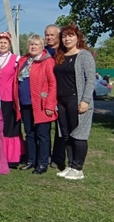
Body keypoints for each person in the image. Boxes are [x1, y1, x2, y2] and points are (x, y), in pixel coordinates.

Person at [53, 24, 95, 180]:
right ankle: (70, 165)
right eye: (64, 36)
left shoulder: (84, 55)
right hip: (61, 101)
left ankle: (78, 168)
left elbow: (90, 79)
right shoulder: (60, 55)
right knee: (66, 134)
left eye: (70, 35)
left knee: (79, 135)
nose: (67, 38)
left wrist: (86, 100)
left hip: (76, 100)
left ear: (77, 37)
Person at [13, 34, 57, 175]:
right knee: (29, 134)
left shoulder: (47, 61)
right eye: (31, 44)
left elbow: (52, 83)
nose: (33, 47)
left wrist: (50, 104)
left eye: (36, 44)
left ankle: (43, 163)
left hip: (41, 104)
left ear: (42, 46)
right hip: (25, 103)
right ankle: (31, 160)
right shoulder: (24, 60)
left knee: (42, 135)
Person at [0, 32, 22, 168]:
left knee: (9, 127)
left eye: (5, 42)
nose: (2, 45)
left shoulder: (16, 59)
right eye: (0, 42)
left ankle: (11, 157)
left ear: (9, 44)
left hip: (9, 97)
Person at [44, 24, 64, 169]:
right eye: (47, 35)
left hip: (61, 94)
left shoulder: (63, 52)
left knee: (60, 129)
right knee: (43, 129)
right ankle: (43, 156)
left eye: (52, 35)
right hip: (44, 95)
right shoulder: (43, 52)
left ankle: (58, 157)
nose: (49, 37)